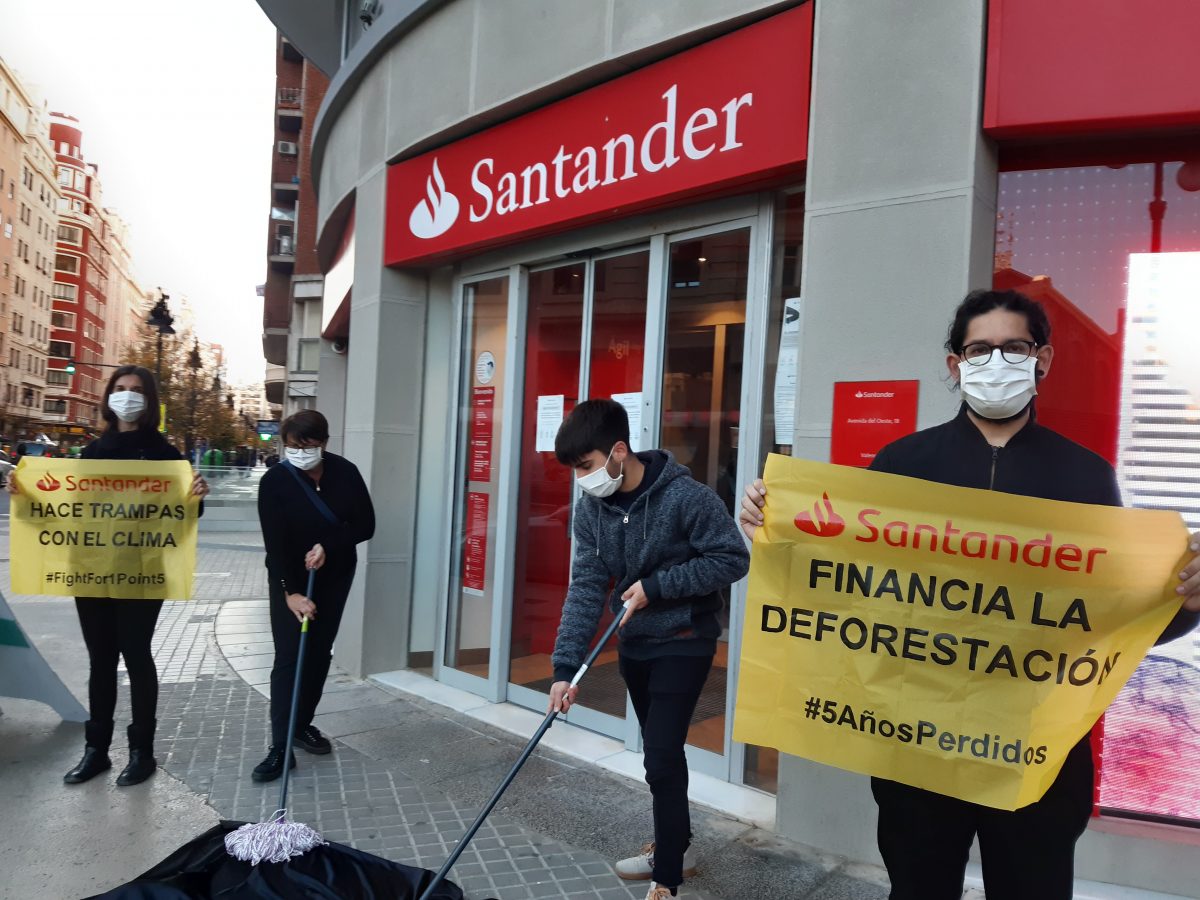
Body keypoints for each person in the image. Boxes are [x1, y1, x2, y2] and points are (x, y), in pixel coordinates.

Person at [739, 289, 1200, 900]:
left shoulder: (1085, 477)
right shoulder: (900, 465)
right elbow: (846, 592)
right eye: (979, 349)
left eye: (1014, 347)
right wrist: (775, 537)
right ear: (955, 364)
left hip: (1036, 755)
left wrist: (1188, 603)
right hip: (915, 750)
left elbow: (1115, 619)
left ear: (1044, 359)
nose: (996, 361)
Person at [547, 399, 750, 900]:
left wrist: (657, 587)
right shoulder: (592, 508)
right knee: (660, 756)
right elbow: (587, 585)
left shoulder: (688, 498)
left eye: (587, 467)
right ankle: (674, 845)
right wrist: (565, 668)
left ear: (619, 451)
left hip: (685, 640)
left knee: (660, 755)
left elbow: (731, 558)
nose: (582, 479)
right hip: (635, 644)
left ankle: (667, 879)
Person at [8, 365, 209, 786]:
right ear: (109, 396)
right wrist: (24, 493)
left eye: (136, 390)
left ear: (150, 400)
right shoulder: (93, 451)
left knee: (136, 655)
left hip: (142, 573)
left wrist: (195, 497)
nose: (128, 396)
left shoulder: (167, 456)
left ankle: (142, 752)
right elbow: (69, 504)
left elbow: (181, 514)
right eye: (120, 389)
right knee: (101, 659)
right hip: (93, 570)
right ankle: (95, 750)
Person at [252, 410, 375, 782]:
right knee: (290, 656)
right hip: (290, 578)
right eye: (292, 446)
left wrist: (329, 545)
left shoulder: (345, 473)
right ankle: (279, 746)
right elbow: (274, 544)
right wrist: (290, 593)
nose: (300, 452)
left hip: (334, 575)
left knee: (319, 651)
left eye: (308, 445)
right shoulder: (275, 481)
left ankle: (302, 725)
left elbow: (365, 524)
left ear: (323, 442)